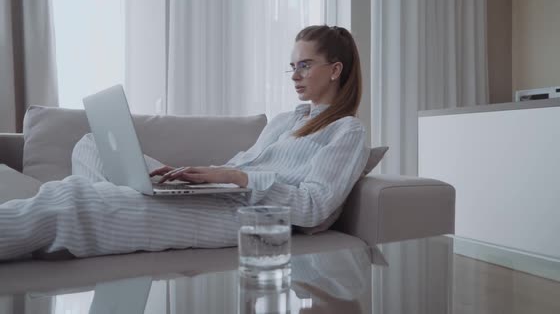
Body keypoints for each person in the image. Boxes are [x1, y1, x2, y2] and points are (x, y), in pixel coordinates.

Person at [0, 25, 369, 261]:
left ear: (335, 69)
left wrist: (237, 179)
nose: (295, 75)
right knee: (89, 144)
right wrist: (194, 177)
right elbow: (244, 168)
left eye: (304, 65)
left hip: (241, 216)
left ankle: (73, 217)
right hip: (219, 196)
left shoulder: (346, 132)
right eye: (292, 67)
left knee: (70, 199)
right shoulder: (285, 121)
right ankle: (117, 202)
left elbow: (316, 206)